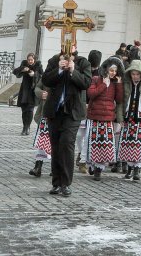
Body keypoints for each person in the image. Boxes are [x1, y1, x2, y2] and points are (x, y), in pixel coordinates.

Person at [41, 46, 92, 197]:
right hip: (55, 111)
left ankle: (66, 183)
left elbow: (86, 83)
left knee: (67, 144)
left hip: (72, 112)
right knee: (56, 146)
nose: (68, 46)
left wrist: (73, 71)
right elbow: (46, 80)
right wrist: (58, 69)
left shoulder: (83, 63)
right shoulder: (54, 60)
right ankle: (56, 183)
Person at [86, 58, 124, 181]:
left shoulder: (115, 83)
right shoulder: (96, 79)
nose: (113, 73)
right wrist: (104, 85)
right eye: (111, 70)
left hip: (107, 118)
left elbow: (119, 100)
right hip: (95, 116)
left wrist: (118, 84)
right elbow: (91, 94)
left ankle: (99, 169)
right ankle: (92, 164)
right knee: (93, 144)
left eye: (115, 71)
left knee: (104, 145)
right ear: (106, 69)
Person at [118, 59, 141, 179]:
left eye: (137, 74)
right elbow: (120, 102)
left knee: (139, 145)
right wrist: (120, 117)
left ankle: (137, 169)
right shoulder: (126, 83)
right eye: (133, 74)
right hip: (128, 117)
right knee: (128, 144)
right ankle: (129, 168)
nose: (135, 76)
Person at [13, 53, 42, 135]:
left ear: (34, 60)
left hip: (32, 90)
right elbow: (15, 72)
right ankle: (24, 127)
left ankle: (27, 127)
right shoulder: (24, 64)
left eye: (31, 60)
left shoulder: (38, 65)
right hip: (24, 90)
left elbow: (42, 76)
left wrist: (34, 74)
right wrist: (22, 69)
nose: (30, 61)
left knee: (30, 110)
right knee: (24, 110)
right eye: (28, 60)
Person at [28, 79, 50, 178]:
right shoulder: (49, 73)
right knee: (42, 140)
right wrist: (41, 93)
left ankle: (56, 168)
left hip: (61, 115)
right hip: (45, 112)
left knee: (58, 143)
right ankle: (38, 167)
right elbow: (37, 87)